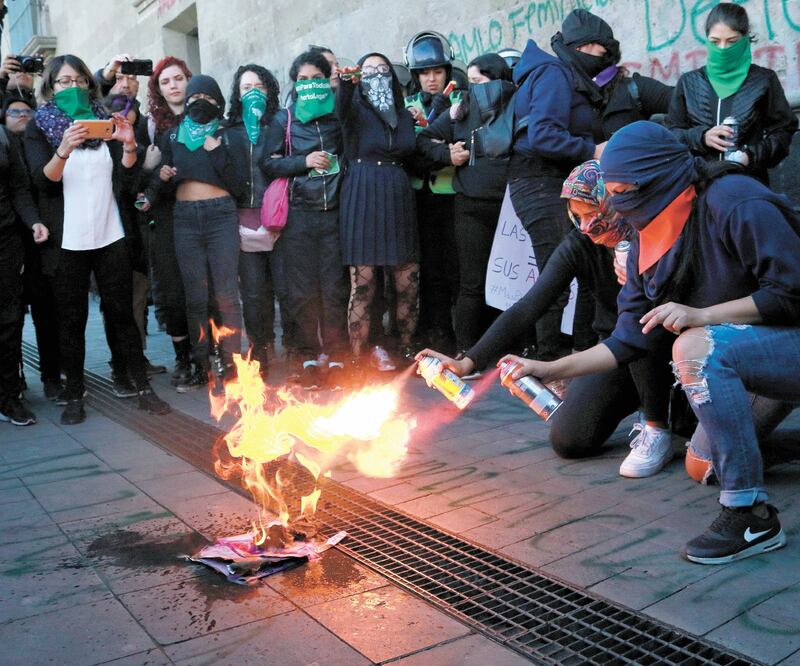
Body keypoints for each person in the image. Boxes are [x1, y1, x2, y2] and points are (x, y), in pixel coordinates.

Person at [503, 121, 800, 564]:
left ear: (656, 179)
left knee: (695, 348)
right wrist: (549, 369)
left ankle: (750, 515)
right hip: (747, 352)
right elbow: (628, 340)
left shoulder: (736, 201)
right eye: (613, 190)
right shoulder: (647, 237)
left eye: (624, 190)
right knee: (703, 465)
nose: (617, 204)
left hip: (785, 337)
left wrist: (704, 316)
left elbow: (792, 292)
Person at [417, 160, 676, 477]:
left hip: (660, 343)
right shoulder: (580, 245)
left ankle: (656, 424)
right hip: (613, 350)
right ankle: (641, 401)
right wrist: (468, 362)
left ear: (615, 203)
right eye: (577, 216)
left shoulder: (651, 232)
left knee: (642, 327)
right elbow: (529, 305)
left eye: (592, 214)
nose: (585, 226)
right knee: (569, 439)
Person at [24, 54, 170, 425]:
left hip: (110, 234)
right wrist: (65, 148)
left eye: (77, 81)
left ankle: (141, 386)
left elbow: (127, 179)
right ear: (50, 88)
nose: (71, 87)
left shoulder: (105, 121)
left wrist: (129, 144)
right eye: (63, 82)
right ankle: (75, 394)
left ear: (89, 84)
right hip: (67, 239)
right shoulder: (40, 126)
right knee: (71, 320)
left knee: (122, 314)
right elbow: (43, 181)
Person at [509, 9, 610, 361]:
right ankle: (549, 363)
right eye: (603, 52)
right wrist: (592, 148)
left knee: (585, 269)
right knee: (556, 280)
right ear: (588, 46)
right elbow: (544, 136)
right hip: (540, 183)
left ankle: (580, 354)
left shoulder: (559, 73)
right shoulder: (554, 73)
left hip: (547, 184)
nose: (604, 60)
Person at [147, 74, 244, 392]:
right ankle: (201, 364)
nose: (197, 103)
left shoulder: (227, 133)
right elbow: (163, 183)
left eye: (206, 97)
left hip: (221, 217)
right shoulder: (173, 136)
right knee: (195, 298)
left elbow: (240, 187)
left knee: (227, 295)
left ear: (219, 102)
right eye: (192, 98)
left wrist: (216, 152)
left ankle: (231, 362)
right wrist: (161, 177)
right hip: (185, 219)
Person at [416, 54, 514, 359]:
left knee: (510, 283)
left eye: (481, 82)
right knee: (471, 282)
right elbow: (424, 140)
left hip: (510, 207)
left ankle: (511, 346)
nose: (475, 88)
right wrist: (447, 154)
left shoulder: (517, 106)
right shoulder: (463, 108)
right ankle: (467, 351)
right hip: (470, 205)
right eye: (470, 83)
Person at [264, 51, 349, 389]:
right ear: (294, 84)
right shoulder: (283, 120)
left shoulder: (339, 117)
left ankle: (337, 354)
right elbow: (268, 163)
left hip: (335, 214)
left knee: (335, 288)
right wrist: (303, 161)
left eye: (316, 79)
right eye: (302, 80)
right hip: (298, 215)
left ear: (327, 80)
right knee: (302, 291)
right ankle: (308, 355)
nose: (309, 85)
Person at [336, 53, 420, 369]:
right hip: (362, 191)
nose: (376, 74)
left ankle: (406, 350)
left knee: (407, 282)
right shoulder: (353, 110)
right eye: (369, 69)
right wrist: (346, 83)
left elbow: (417, 149)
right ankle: (358, 358)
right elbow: (340, 105)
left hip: (397, 193)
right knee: (364, 284)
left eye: (382, 69)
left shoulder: (405, 114)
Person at [666, 3, 797, 185]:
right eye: (715, 41)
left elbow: (783, 130)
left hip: (747, 187)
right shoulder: (689, 83)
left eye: (731, 41)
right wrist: (702, 137)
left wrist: (751, 156)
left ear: (744, 39)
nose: (722, 49)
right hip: (697, 189)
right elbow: (671, 133)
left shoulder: (763, 80)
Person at [403, 30, 459, 354]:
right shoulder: (406, 107)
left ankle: (447, 336)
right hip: (416, 198)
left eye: (437, 71)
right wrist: (435, 149)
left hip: (448, 197)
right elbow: (407, 151)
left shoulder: (458, 104)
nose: (432, 79)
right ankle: (425, 334)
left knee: (449, 270)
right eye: (425, 72)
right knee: (421, 271)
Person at [140, 56, 194, 387]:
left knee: (204, 289)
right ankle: (183, 358)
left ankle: (209, 353)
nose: (173, 85)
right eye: (165, 81)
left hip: (200, 212)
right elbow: (137, 180)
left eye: (178, 78)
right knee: (172, 292)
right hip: (165, 216)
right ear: (158, 89)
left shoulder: (207, 116)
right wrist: (150, 170)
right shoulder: (150, 125)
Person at [225, 64, 280, 381]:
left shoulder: (280, 123)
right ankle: (260, 348)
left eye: (259, 85)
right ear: (238, 93)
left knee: (287, 290)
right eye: (246, 87)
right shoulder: (229, 130)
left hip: (280, 218)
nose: (253, 92)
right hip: (244, 220)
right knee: (256, 294)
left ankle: (296, 348)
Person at [0, 100, 49, 426]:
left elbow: (18, 188)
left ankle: (8, 397)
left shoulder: (4, 139)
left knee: (8, 321)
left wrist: (33, 221)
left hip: (6, 242)